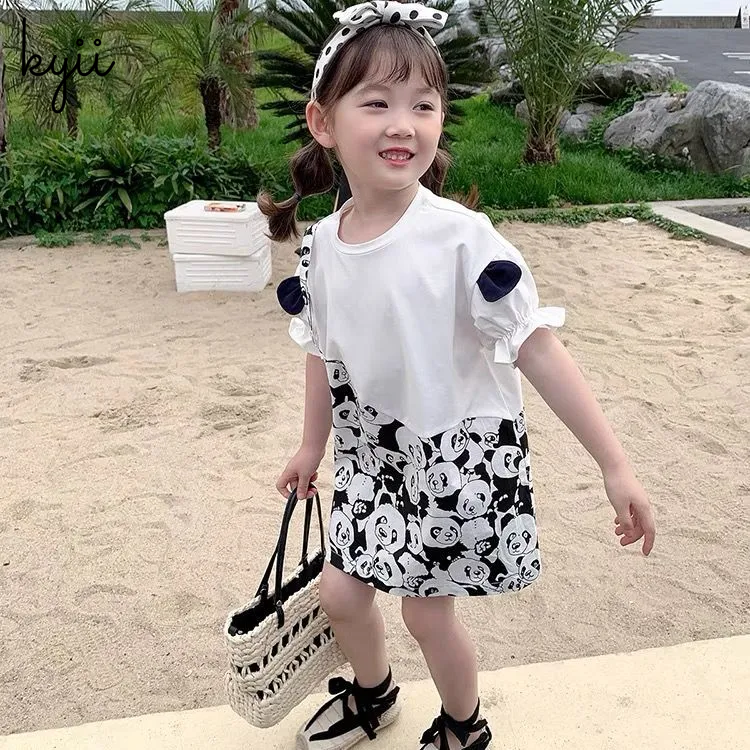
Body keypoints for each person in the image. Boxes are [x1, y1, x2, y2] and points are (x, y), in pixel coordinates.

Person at [257, 3, 656, 749]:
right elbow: (321, 349)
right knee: (340, 592)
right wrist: (311, 445)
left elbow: (535, 347)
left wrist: (615, 464)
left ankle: (464, 726)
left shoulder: (462, 239)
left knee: (425, 612)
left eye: (423, 104)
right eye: (376, 103)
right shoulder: (322, 246)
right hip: (372, 456)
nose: (402, 124)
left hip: (449, 456)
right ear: (322, 122)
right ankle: (374, 693)